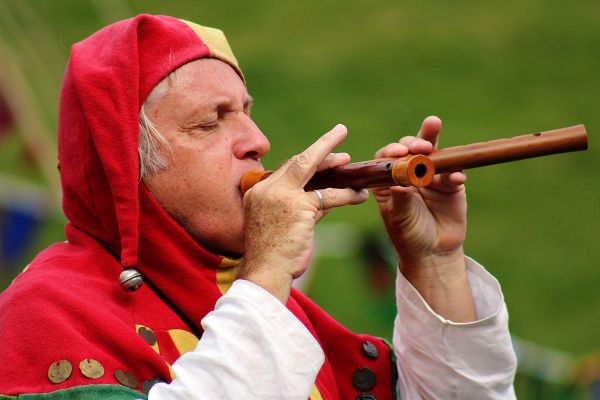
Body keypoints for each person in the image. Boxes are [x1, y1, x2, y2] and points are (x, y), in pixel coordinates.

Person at [0, 14, 517, 399]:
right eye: (210, 121)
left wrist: (435, 264)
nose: (259, 142)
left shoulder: (263, 306)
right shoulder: (39, 318)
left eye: (247, 113)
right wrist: (268, 271)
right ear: (124, 169)